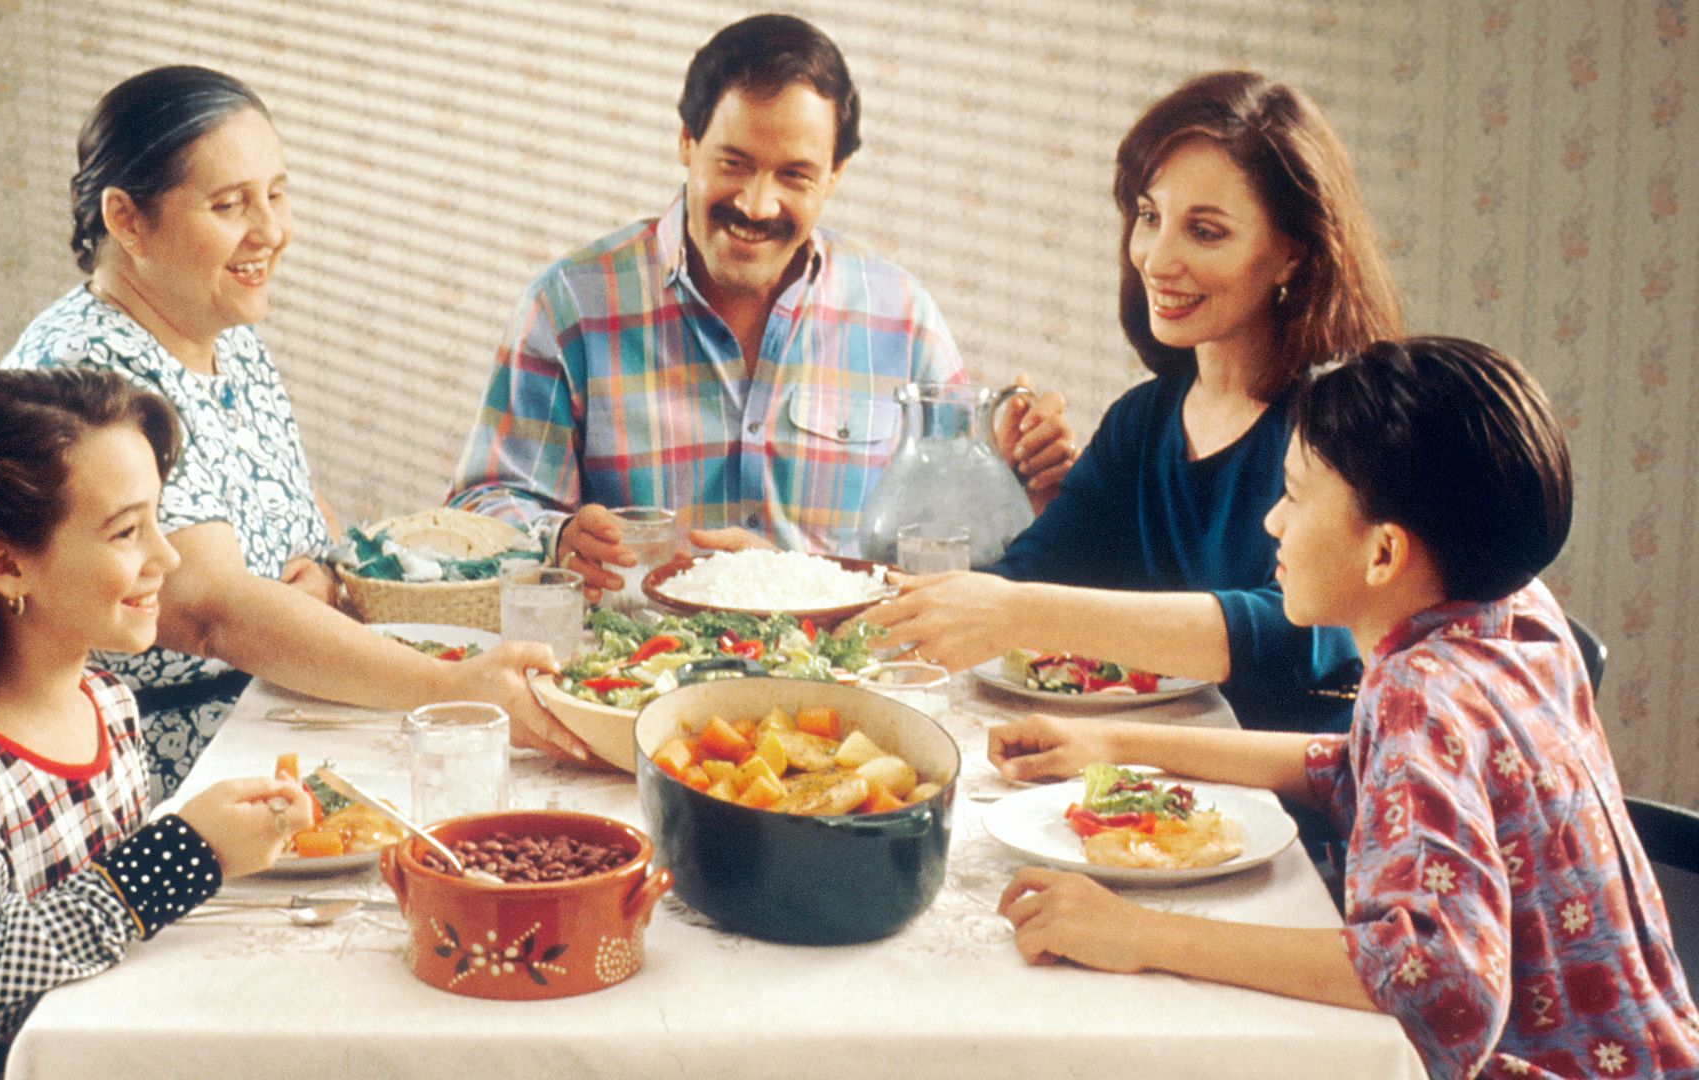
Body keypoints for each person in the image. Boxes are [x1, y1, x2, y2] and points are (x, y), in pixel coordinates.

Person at [990, 338, 1699, 1079]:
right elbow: (1363, 765)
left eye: (1293, 495)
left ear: (1384, 555)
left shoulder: (1420, 692)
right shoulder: (1519, 614)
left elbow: (1436, 977)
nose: (1272, 522)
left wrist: (1136, 932)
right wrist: (1117, 746)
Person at [2, 65, 586, 797]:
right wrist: (453, 685)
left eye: (276, 194)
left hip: (272, 713)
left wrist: (326, 577)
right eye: (229, 205)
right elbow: (213, 613)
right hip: (155, 771)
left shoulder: (219, 328)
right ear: (126, 220)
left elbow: (295, 519)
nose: (273, 232)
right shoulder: (90, 378)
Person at [446, 14, 1076, 596]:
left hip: (843, 689)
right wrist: (555, 540)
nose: (756, 203)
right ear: (687, 142)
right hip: (631, 681)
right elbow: (482, 506)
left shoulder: (902, 318)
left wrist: (1016, 482)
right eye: (734, 163)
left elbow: (954, 554)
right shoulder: (570, 307)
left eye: (794, 175)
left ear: (835, 175)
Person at [863, 70, 1405, 733]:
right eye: (1150, 217)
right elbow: (1024, 577)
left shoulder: (1342, 427)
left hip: (1307, 809)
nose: (1156, 257)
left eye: (1205, 231)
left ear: (1293, 253)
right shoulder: (1142, 422)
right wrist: (808, 589)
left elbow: (1298, 629)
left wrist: (1021, 611)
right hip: (1153, 790)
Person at [0, 368, 318, 1079]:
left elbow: (109, 927)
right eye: (127, 531)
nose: (168, 556)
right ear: (5, 567)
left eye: (159, 518)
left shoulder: (106, 700)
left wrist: (215, 847)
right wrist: (181, 857)